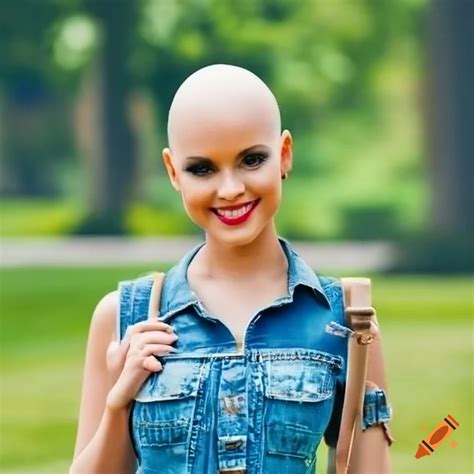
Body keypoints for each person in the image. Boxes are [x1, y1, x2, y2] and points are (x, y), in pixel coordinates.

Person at [70, 64, 394, 474]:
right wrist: (119, 403)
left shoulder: (348, 322)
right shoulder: (124, 316)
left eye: (252, 160)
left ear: (284, 155)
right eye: (202, 168)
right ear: (173, 172)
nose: (229, 189)